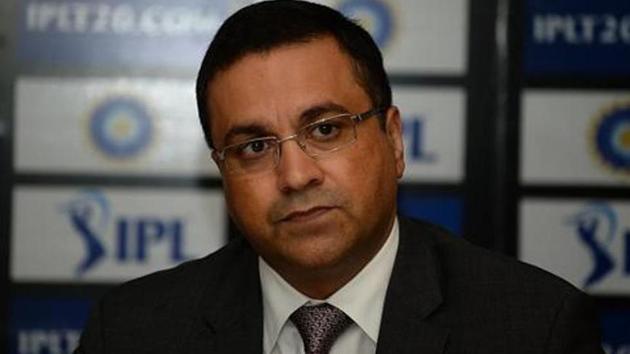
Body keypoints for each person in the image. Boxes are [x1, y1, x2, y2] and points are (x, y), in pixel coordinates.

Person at [75, 1, 604, 353]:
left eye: (326, 129)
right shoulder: (131, 333)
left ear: (394, 141)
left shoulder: (535, 330)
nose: (296, 174)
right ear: (222, 171)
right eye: (255, 146)